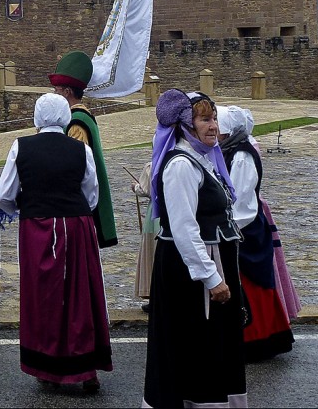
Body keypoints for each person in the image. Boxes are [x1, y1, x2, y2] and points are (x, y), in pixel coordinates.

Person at [0, 93, 113, 392]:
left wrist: (27, 207)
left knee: (43, 295)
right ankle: (86, 370)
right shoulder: (80, 149)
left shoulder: (21, 146)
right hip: (76, 226)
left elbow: (5, 196)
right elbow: (91, 194)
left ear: (37, 118)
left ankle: (46, 368)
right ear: (64, 118)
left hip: (37, 227)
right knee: (79, 294)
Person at [142, 89, 247, 408]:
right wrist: (211, 278)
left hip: (207, 266)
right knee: (196, 347)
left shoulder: (202, 159)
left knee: (213, 345)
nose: (213, 125)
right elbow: (185, 229)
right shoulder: (182, 165)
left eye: (214, 118)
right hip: (190, 275)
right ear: (186, 125)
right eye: (204, 119)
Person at [217, 105, 295, 361]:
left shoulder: (241, 156)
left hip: (244, 228)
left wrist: (228, 229)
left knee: (251, 283)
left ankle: (258, 339)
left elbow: (241, 201)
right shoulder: (228, 151)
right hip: (236, 226)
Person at [49, 50, 118, 248]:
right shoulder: (75, 116)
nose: (55, 94)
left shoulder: (76, 121)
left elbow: (77, 167)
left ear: (67, 92)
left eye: (57, 90)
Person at [131, 158, 158, 312]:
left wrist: (135, 187)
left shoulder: (153, 165)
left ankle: (155, 296)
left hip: (155, 217)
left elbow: (145, 190)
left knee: (152, 255)